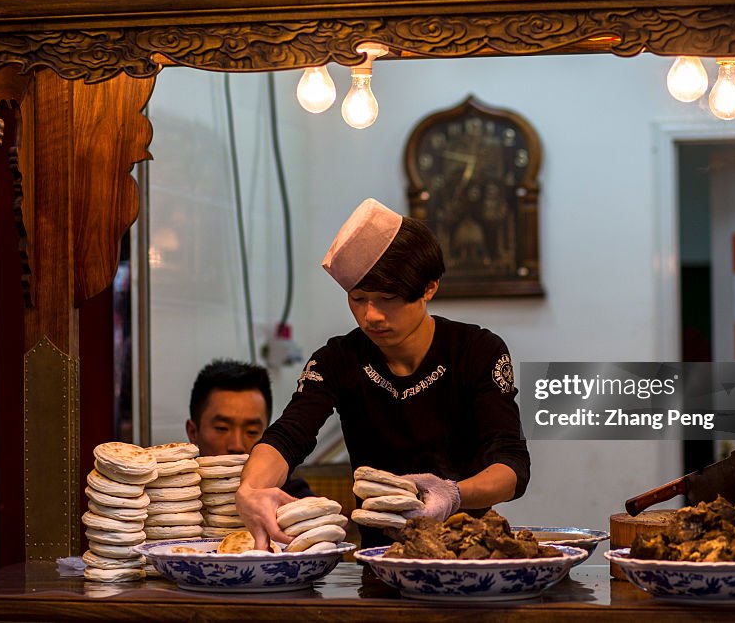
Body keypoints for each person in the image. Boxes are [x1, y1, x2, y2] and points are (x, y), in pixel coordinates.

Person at [235, 198, 530, 550]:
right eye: (358, 299)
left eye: (387, 298)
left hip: (469, 550)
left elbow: (512, 466)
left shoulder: (477, 350)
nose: (371, 316)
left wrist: (452, 494)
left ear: (429, 288)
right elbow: (288, 435)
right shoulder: (337, 360)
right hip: (379, 557)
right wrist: (250, 490)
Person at [186, 358, 312, 498]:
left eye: (252, 432)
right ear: (193, 432)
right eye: (222, 428)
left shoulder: (289, 498)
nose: (237, 446)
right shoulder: (173, 498)